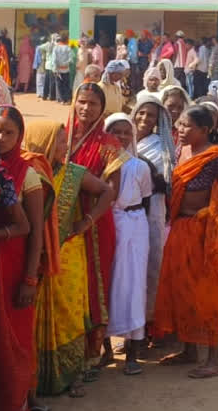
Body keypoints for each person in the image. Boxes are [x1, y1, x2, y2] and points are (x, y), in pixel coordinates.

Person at [22, 120, 112, 397]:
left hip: (68, 256)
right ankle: (34, 382)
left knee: (69, 316)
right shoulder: (25, 171)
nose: (65, 146)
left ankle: (72, 375)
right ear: (44, 142)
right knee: (33, 320)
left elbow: (106, 191)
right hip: (33, 257)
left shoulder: (73, 173)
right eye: (60, 141)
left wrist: (86, 221)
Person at [153, 105, 218, 378]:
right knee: (181, 288)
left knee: (207, 294)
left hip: (206, 233)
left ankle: (215, 358)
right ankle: (189, 350)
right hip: (181, 229)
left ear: (206, 130)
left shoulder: (215, 158)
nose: (181, 129)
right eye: (179, 124)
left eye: (187, 126)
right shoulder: (181, 151)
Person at [0, 105, 44, 411]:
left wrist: (30, 278)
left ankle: (17, 407)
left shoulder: (28, 173)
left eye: (9, 132)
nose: (1, 138)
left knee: (15, 338)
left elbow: (35, 230)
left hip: (15, 264)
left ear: (20, 136)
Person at [66, 83, 126, 370]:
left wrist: (86, 221)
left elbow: (112, 190)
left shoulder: (109, 144)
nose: (86, 108)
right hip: (62, 220)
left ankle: (94, 351)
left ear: (103, 109)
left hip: (95, 222)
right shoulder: (62, 137)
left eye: (93, 104)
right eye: (82, 101)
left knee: (94, 284)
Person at [102, 113, 152, 375]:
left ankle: (132, 350)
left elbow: (144, 198)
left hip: (134, 225)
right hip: (108, 224)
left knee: (133, 285)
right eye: (115, 131)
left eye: (125, 132)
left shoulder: (139, 166)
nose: (121, 137)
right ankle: (106, 350)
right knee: (107, 282)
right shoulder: (98, 164)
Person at [133, 98, 174, 341]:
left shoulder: (160, 146)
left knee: (152, 266)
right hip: (124, 211)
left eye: (151, 116)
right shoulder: (121, 135)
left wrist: (137, 162)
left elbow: (162, 182)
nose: (144, 119)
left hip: (153, 212)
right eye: (141, 113)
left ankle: (150, 323)